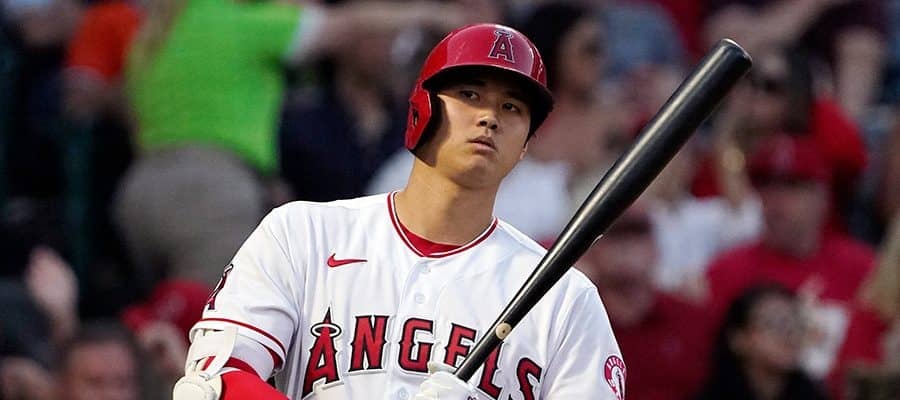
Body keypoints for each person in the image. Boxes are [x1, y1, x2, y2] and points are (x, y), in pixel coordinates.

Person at [173, 23, 623, 400]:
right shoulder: (302, 234)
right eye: (470, 94)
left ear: (526, 143)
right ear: (421, 108)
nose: (490, 118)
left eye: (511, 107)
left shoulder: (565, 298)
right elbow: (213, 383)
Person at [578, 204, 715, 400]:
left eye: (637, 235)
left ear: (655, 249)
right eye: (614, 237)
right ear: (591, 252)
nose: (626, 247)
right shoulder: (576, 322)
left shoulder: (693, 320)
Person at [696, 284, 829, 400]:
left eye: (795, 322)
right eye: (772, 323)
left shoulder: (814, 394)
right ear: (738, 340)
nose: (789, 333)